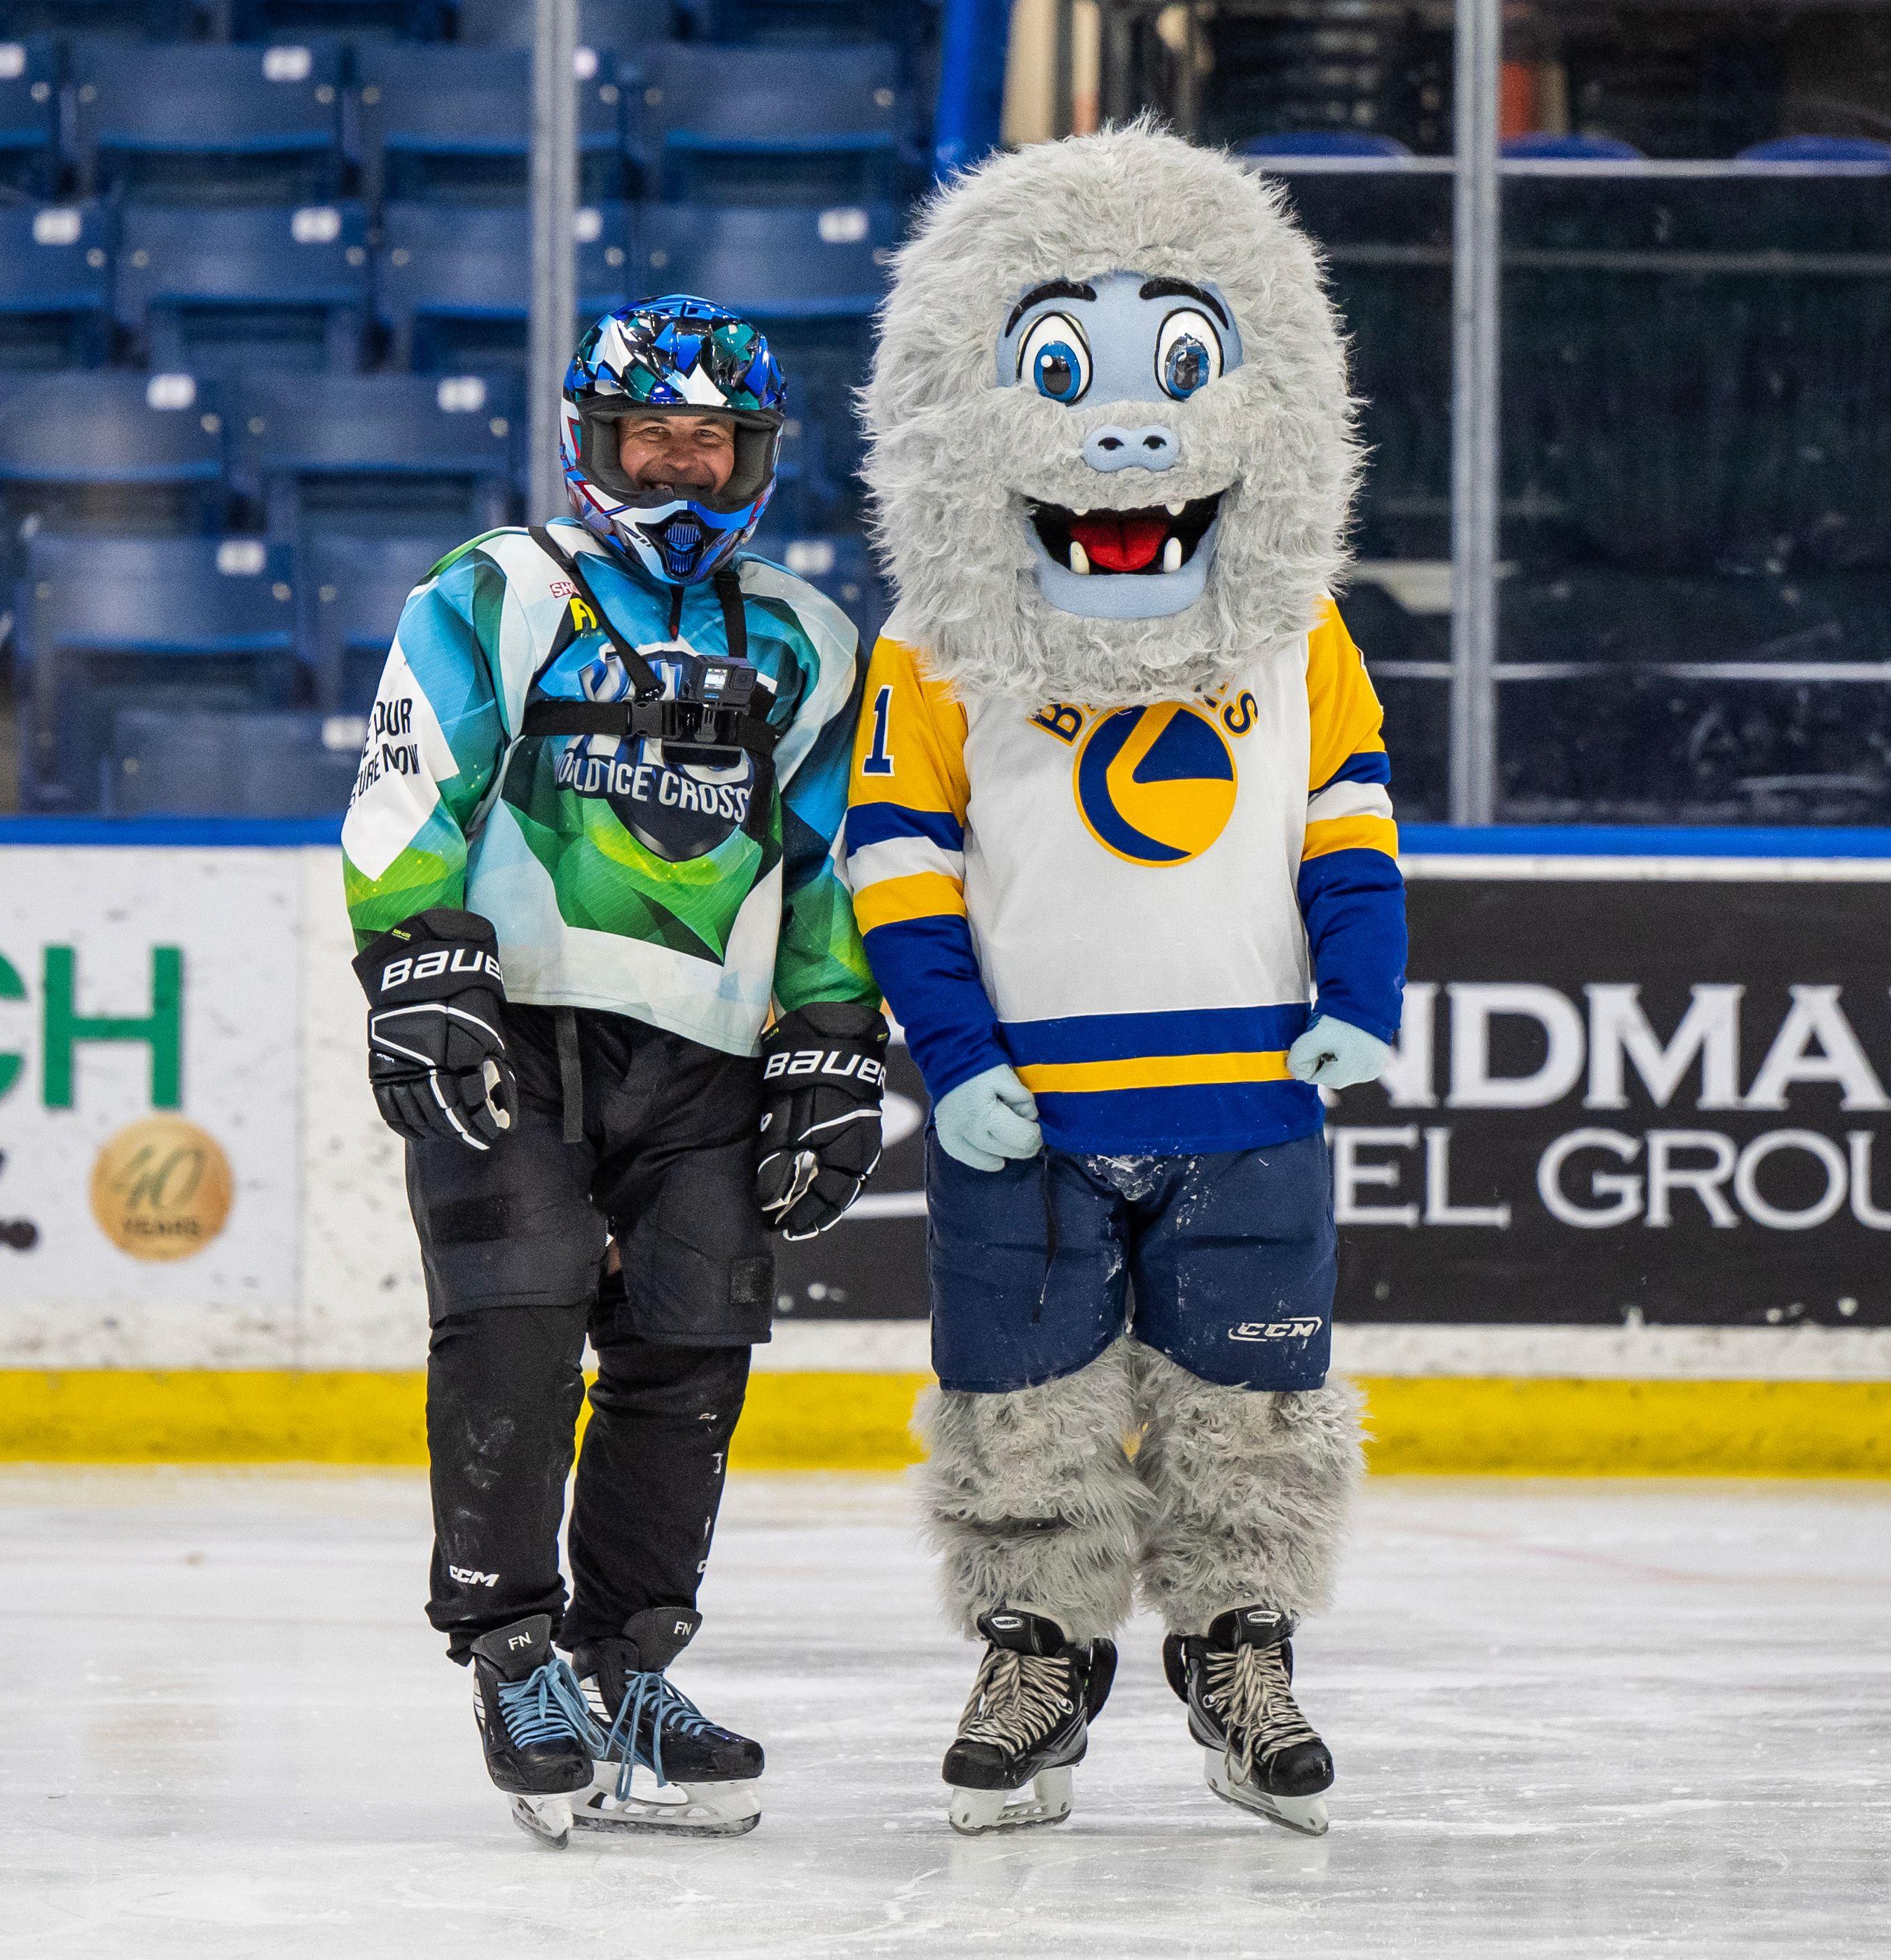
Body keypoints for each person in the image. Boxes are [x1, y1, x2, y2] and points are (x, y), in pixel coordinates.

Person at [850, 126, 1406, 1837]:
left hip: (1243, 1097)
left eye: (1177, 366)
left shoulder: (1297, 629)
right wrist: (946, 1056)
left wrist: (1363, 992)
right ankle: (1038, 1655)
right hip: (1028, 1106)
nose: (1124, 433)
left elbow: (1349, 821)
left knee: (1254, 1395)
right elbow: (898, 866)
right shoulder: (930, 644)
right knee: (1020, 1400)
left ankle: (1241, 1648)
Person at [340, 294, 887, 1844]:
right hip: (510, 1022)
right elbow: (411, 778)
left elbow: (831, 860)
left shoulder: (807, 639)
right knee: (511, 1322)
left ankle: (629, 1655)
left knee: (691, 1345)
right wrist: (412, 951)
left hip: (708, 1050)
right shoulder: (498, 589)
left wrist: (836, 1033)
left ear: (757, 457)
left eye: (713, 446)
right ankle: (511, 1648)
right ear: (594, 444)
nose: (681, 472)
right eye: (652, 439)